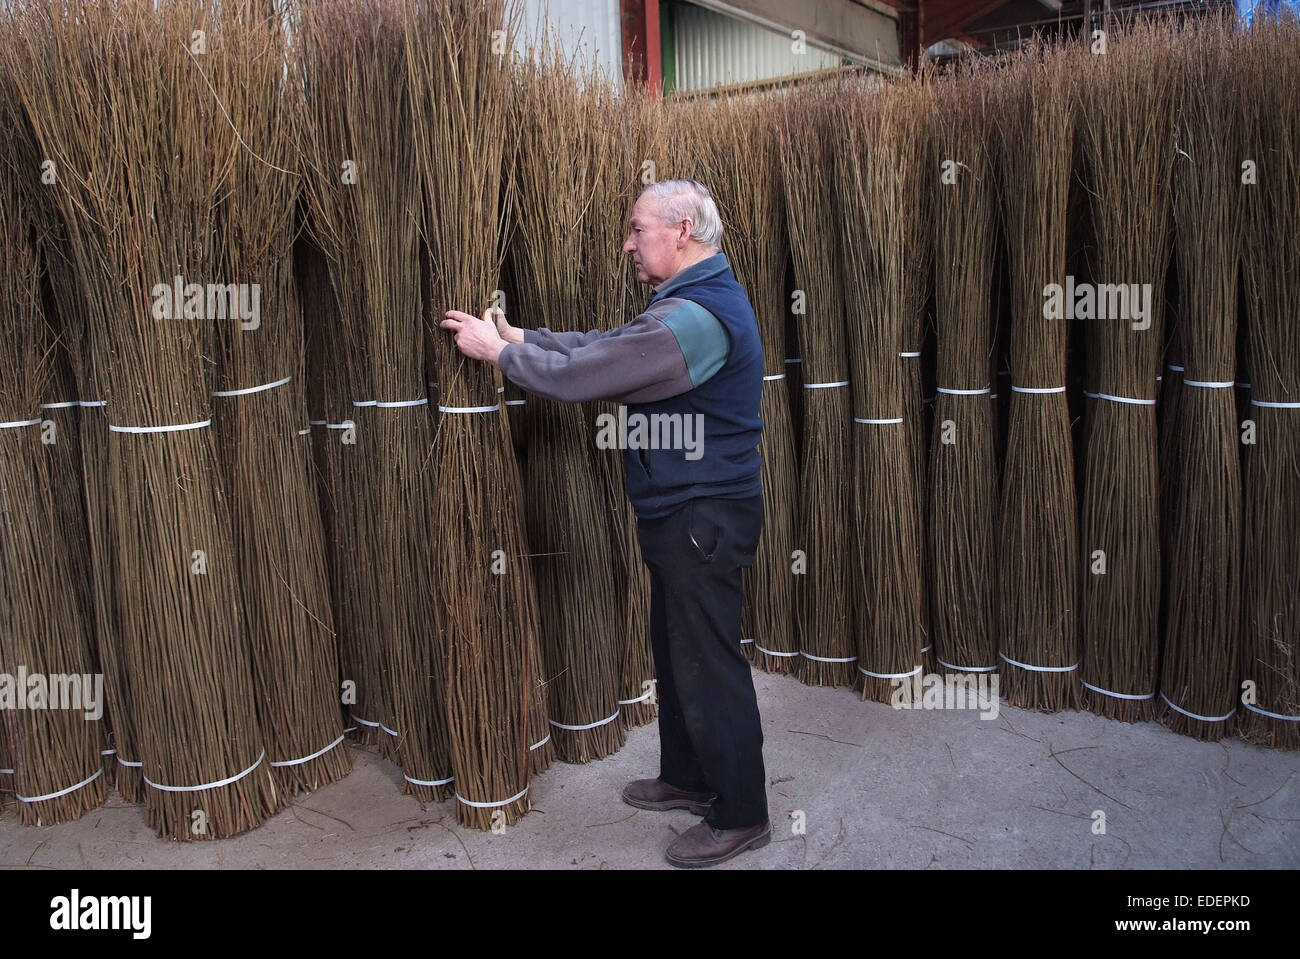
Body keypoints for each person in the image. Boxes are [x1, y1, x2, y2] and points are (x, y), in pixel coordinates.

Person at [441, 178, 769, 868]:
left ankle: (741, 811)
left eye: (637, 228)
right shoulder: (684, 301)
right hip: (681, 510)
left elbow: (601, 369)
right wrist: (528, 336)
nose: (627, 243)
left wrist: (500, 355)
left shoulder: (697, 318)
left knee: (708, 661)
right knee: (677, 650)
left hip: (701, 514)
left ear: (682, 230)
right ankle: (688, 775)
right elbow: (610, 342)